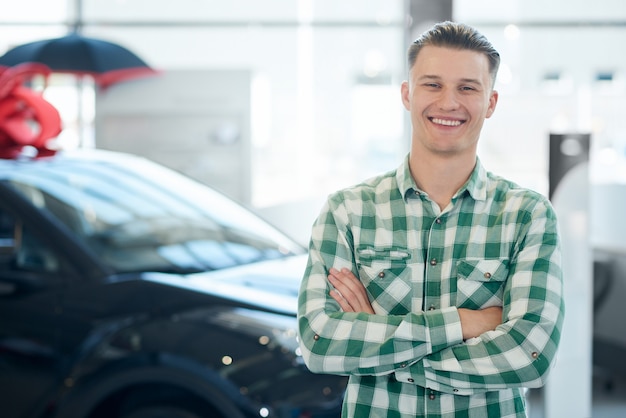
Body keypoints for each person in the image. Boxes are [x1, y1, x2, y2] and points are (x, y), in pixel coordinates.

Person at [297, 21, 564, 418]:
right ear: (407, 94)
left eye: (467, 88)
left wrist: (379, 342)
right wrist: (462, 322)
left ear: (491, 102)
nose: (448, 103)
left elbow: (529, 354)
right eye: (432, 84)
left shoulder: (527, 215)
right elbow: (320, 343)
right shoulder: (348, 212)